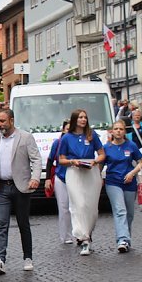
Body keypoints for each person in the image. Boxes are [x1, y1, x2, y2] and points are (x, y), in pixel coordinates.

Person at [0, 110, 42, 274]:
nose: (0, 125)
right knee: (2, 223)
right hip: (1, 188)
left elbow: (36, 159)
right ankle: (0, 259)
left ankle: (28, 257)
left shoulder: (25, 137)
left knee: (23, 223)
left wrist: (36, 178)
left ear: (11, 120)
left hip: (21, 186)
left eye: (3, 121)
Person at [58, 109, 106, 256]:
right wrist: (72, 161)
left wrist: (95, 161)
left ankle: (87, 232)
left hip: (90, 171)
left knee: (91, 207)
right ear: (75, 120)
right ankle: (84, 238)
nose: (83, 120)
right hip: (74, 172)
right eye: (80, 117)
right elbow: (61, 159)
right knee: (79, 204)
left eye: (85, 117)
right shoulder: (66, 138)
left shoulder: (92, 135)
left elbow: (102, 154)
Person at [104, 121, 142, 253]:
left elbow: (141, 162)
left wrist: (132, 173)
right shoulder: (107, 147)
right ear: (112, 131)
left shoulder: (131, 145)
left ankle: (127, 240)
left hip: (129, 183)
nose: (118, 131)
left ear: (124, 132)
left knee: (129, 214)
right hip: (113, 182)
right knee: (120, 210)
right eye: (116, 129)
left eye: (121, 129)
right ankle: (122, 239)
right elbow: (100, 165)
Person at [47, 120, 74, 244]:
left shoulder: (76, 143)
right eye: (67, 129)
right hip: (61, 177)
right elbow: (50, 160)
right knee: (63, 208)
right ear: (63, 130)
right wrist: (48, 178)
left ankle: (78, 233)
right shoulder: (57, 143)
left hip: (75, 178)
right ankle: (66, 235)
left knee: (76, 207)